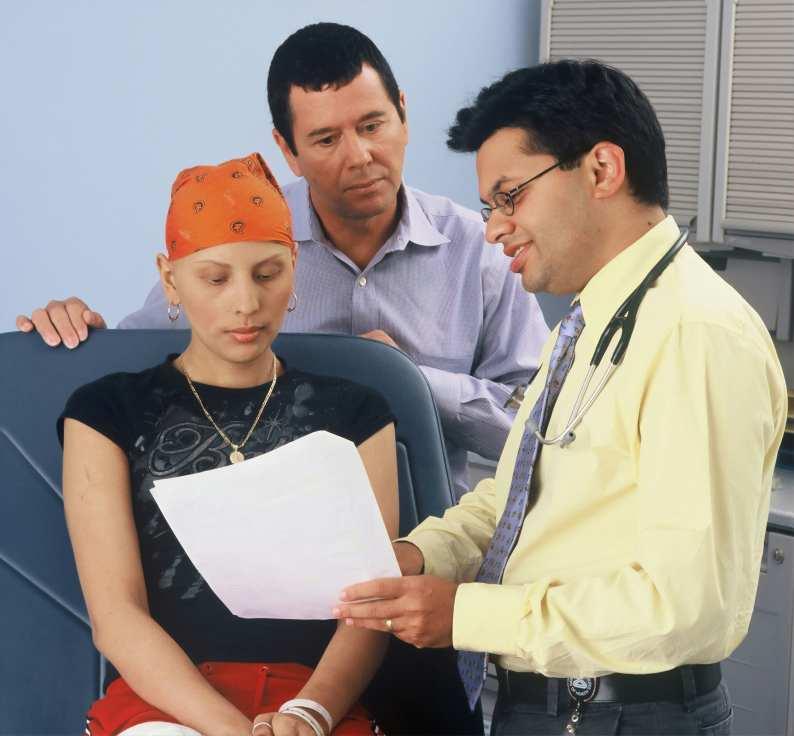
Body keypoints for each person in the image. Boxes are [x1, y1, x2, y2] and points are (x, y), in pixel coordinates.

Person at [334, 60, 787, 735]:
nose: (493, 228)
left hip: (625, 715)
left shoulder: (696, 333)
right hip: (550, 707)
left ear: (602, 170)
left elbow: (685, 605)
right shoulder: (589, 321)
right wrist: (421, 554)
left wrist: (463, 613)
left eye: (510, 196)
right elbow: (519, 495)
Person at [17, 22, 549, 502]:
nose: (360, 156)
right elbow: (137, 363)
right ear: (287, 149)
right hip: (257, 527)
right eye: (325, 139)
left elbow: (538, 433)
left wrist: (405, 378)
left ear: (403, 114)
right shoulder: (240, 241)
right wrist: (77, 334)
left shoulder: (484, 250)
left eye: (372, 125)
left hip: (431, 535)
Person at [59, 152, 399, 736]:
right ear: (170, 278)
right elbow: (116, 617)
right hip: (164, 699)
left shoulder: (357, 411)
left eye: (267, 274)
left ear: (293, 265)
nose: (245, 303)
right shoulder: (107, 411)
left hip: (317, 699)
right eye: (215, 278)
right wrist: (231, 730)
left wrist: (310, 714)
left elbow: (374, 601)